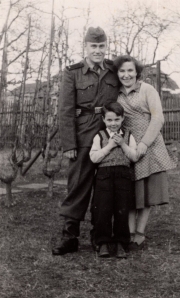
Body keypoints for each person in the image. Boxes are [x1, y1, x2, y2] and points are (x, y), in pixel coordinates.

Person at [52, 27, 119, 255]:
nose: (98, 51)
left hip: (110, 132)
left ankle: (101, 236)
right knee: (78, 184)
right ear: (86, 47)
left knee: (107, 185)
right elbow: (66, 110)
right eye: (94, 46)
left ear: (105, 46)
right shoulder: (73, 72)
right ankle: (69, 236)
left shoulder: (113, 70)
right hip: (83, 135)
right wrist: (69, 144)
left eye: (101, 46)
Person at [113, 55, 177, 249]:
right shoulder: (115, 93)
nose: (126, 75)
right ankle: (130, 232)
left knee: (146, 191)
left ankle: (140, 233)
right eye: (122, 71)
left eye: (130, 70)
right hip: (128, 144)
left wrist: (144, 144)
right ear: (117, 74)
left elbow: (158, 118)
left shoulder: (147, 89)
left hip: (150, 144)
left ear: (137, 72)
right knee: (131, 190)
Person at [89, 102, 138, 258]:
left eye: (117, 119)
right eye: (109, 120)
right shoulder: (99, 136)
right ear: (104, 120)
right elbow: (94, 158)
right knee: (102, 209)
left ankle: (120, 243)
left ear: (122, 118)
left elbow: (134, 156)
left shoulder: (129, 135)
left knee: (122, 209)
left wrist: (123, 144)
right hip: (104, 176)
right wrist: (109, 146)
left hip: (123, 176)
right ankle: (102, 242)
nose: (113, 123)